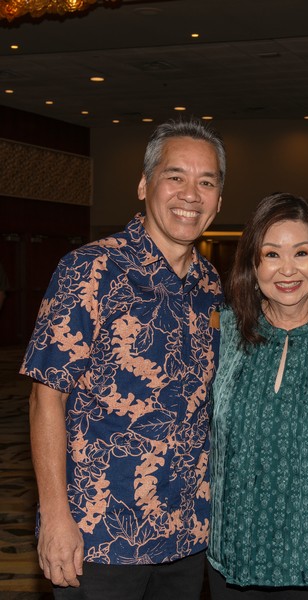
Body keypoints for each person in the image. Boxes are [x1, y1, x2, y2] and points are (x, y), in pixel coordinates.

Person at [20, 118, 225, 599]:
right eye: (175, 176)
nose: (190, 194)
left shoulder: (211, 285)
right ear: (143, 185)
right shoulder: (91, 269)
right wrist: (55, 515)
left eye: (207, 182)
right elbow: (45, 399)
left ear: (219, 199)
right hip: (99, 536)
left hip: (186, 533)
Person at [207, 193, 308, 599]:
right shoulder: (224, 332)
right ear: (253, 265)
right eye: (271, 254)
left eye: (301, 252)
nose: (288, 269)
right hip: (235, 552)